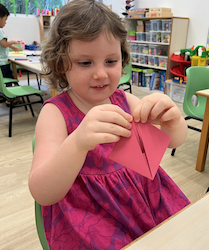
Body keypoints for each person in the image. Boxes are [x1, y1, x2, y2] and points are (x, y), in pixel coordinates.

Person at [28, 0, 190, 249]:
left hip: (147, 202)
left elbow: (172, 143)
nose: (101, 74)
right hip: (92, 218)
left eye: (111, 61)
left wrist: (173, 120)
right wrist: (78, 142)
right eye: (85, 63)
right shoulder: (56, 113)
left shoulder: (126, 100)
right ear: (61, 65)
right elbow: (42, 192)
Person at [0, 4, 20, 79]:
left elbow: (1, 43)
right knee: (10, 79)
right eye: (5, 20)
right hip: (2, 63)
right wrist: (13, 42)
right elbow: (4, 44)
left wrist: (11, 46)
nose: (5, 23)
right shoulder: (0, 30)